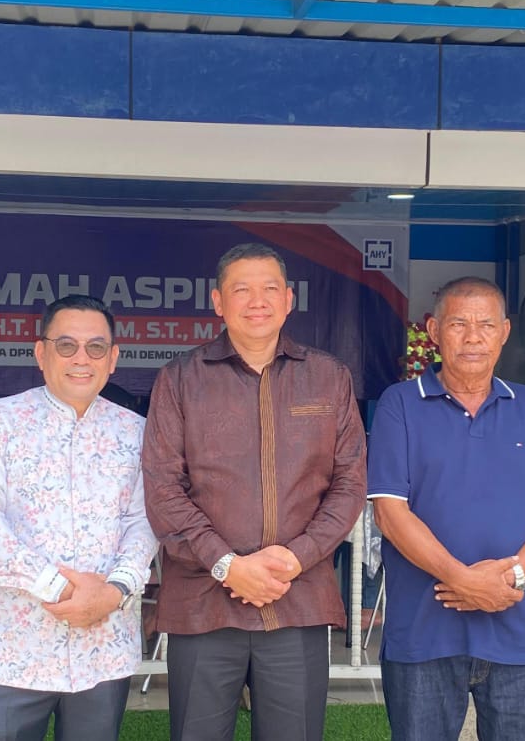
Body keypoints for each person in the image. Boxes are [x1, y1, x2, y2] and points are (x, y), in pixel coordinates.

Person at [142, 243, 367, 741]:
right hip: (203, 604)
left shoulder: (328, 377)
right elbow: (163, 489)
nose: (257, 300)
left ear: (289, 300)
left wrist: (296, 557)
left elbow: (349, 483)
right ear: (218, 302)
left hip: (297, 599)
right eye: (241, 289)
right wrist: (228, 565)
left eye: (269, 288)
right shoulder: (180, 379)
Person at [367, 277, 525, 741]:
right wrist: (463, 580)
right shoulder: (400, 404)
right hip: (424, 631)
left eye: (486, 325)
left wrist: (512, 576)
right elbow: (389, 512)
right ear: (434, 330)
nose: (473, 337)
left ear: (504, 333)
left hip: (519, 628)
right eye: (458, 324)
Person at [0, 295, 155, 741]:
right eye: (66, 345)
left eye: (96, 347)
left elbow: (142, 522)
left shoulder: (136, 432)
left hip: (103, 647)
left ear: (113, 359)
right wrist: (65, 591)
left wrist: (112, 593)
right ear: (41, 353)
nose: (82, 359)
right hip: (14, 647)